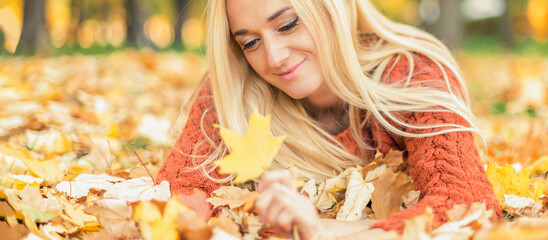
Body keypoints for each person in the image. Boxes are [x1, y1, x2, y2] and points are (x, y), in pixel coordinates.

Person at [157, 0, 502, 238]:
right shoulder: (235, 86)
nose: (274, 58)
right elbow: (181, 193)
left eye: (288, 25)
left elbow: (466, 207)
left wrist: (327, 233)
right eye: (250, 43)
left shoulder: (412, 74)